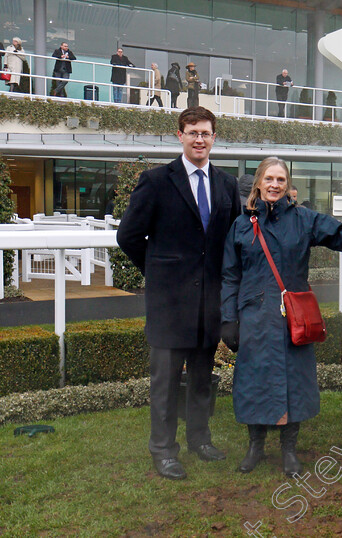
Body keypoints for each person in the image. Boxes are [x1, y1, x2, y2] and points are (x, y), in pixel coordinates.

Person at [220, 157, 342, 475]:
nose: (274, 185)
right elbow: (230, 275)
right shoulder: (241, 225)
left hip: (292, 321)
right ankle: (255, 447)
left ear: (287, 186)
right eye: (269, 179)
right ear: (259, 183)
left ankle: (289, 452)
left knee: (293, 384)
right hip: (254, 317)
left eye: (281, 180)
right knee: (253, 383)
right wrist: (228, 319)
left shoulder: (303, 219)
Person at [117, 107, 241, 480]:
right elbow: (128, 236)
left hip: (209, 304)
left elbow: (232, 241)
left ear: (214, 137)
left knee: (202, 378)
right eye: (192, 132)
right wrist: (159, 272)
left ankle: (199, 440)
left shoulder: (226, 184)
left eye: (205, 132)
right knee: (166, 383)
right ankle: (163, 450)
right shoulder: (155, 181)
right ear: (180, 136)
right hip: (169, 304)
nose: (199, 139)